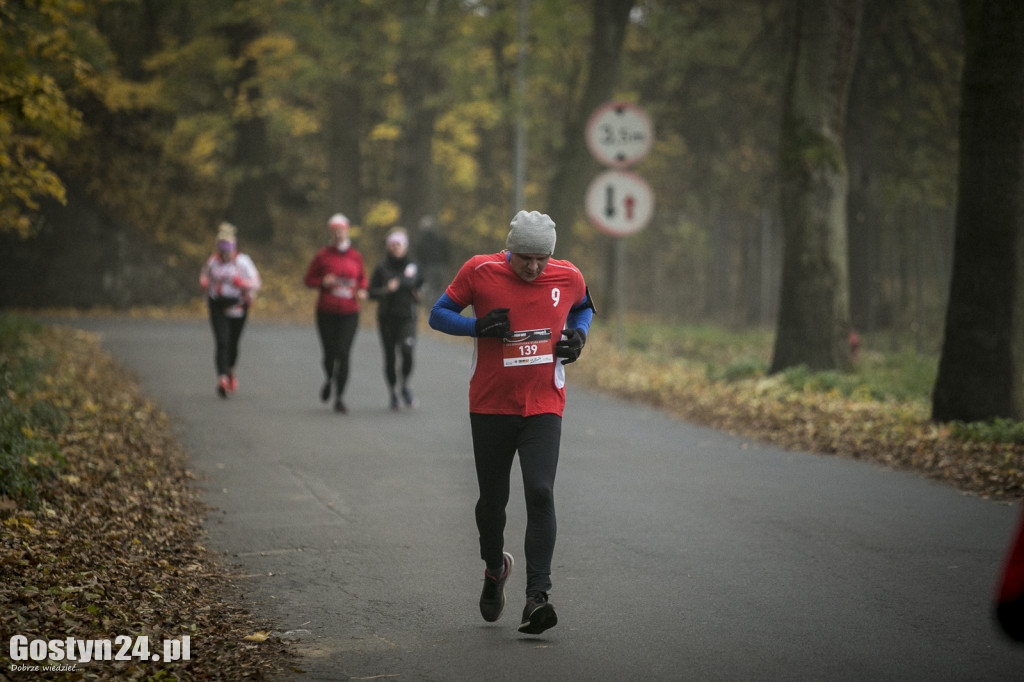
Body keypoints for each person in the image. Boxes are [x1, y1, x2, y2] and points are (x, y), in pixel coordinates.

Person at [428, 210, 595, 635]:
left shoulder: (567, 275)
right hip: (490, 405)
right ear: (510, 250)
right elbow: (438, 313)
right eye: (525, 258)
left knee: (540, 493)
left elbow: (584, 308)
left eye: (541, 259)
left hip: (543, 404)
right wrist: (477, 326)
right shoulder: (479, 270)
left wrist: (579, 338)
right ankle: (494, 568)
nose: (533, 267)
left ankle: (537, 597)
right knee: (492, 504)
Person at [304, 213, 369, 413]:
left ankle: (339, 397)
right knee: (329, 354)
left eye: (341, 230)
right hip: (326, 311)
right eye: (335, 231)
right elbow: (308, 280)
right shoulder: (323, 255)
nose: (339, 234)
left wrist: (362, 289)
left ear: (347, 232)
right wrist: (322, 282)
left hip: (350, 312)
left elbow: (363, 279)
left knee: (344, 352)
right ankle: (329, 378)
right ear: (331, 233)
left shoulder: (355, 256)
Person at [199, 222, 261, 398]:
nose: (225, 255)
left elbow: (257, 282)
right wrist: (204, 282)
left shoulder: (243, 262)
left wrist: (243, 284)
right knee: (222, 341)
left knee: (233, 343)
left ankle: (230, 369)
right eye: (223, 251)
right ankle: (222, 378)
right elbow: (205, 274)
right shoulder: (213, 261)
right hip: (217, 305)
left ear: (233, 249)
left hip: (238, 306)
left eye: (228, 251)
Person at [368, 227, 424, 409]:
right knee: (390, 358)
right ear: (388, 247)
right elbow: (371, 293)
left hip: (407, 317)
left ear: (405, 246)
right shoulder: (382, 268)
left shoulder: (413, 266)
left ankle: (405, 385)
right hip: (386, 318)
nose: (396, 247)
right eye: (392, 244)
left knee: (408, 352)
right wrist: (385, 290)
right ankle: (393, 391)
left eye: (399, 244)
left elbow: (420, 284)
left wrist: (420, 292)